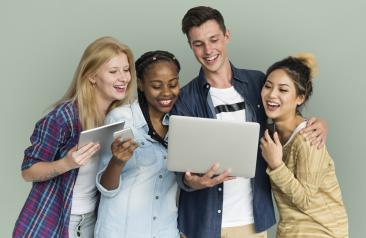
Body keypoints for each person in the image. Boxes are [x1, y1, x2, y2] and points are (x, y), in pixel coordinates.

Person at [170, 6, 328, 238]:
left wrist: (320, 123)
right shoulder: (185, 98)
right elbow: (180, 169)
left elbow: (287, 115)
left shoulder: (258, 83)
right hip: (201, 224)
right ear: (191, 46)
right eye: (198, 44)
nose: (208, 50)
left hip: (251, 221)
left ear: (227, 36)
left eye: (214, 39)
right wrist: (194, 182)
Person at [13, 36, 136, 238]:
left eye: (126, 69)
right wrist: (66, 163)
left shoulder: (121, 118)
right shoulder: (63, 117)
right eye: (113, 71)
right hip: (53, 221)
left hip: (94, 221)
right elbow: (28, 171)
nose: (123, 78)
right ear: (92, 77)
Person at [260, 53, 348, 237]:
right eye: (267, 86)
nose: (272, 94)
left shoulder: (308, 138)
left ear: (300, 98)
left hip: (321, 232)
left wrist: (276, 165)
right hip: (292, 231)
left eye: (283, 90)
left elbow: (306, 200)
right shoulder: (272, 132)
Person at [94, 50, 181, 238]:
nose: (166, 92)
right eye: (156, 86)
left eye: (173, 84)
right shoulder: (120, 119)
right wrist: (117, 162)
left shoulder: (183, 123)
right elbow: (105, 188)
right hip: (122, 231)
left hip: (165, 232)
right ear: (141, 84)